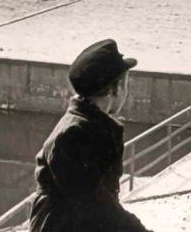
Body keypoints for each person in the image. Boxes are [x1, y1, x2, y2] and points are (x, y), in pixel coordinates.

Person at [29, 40, 151, 232]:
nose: (127, 91)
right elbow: (93, 204)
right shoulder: (73, 135)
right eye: (127, 84)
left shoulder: (91, 125)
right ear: (114, 90)